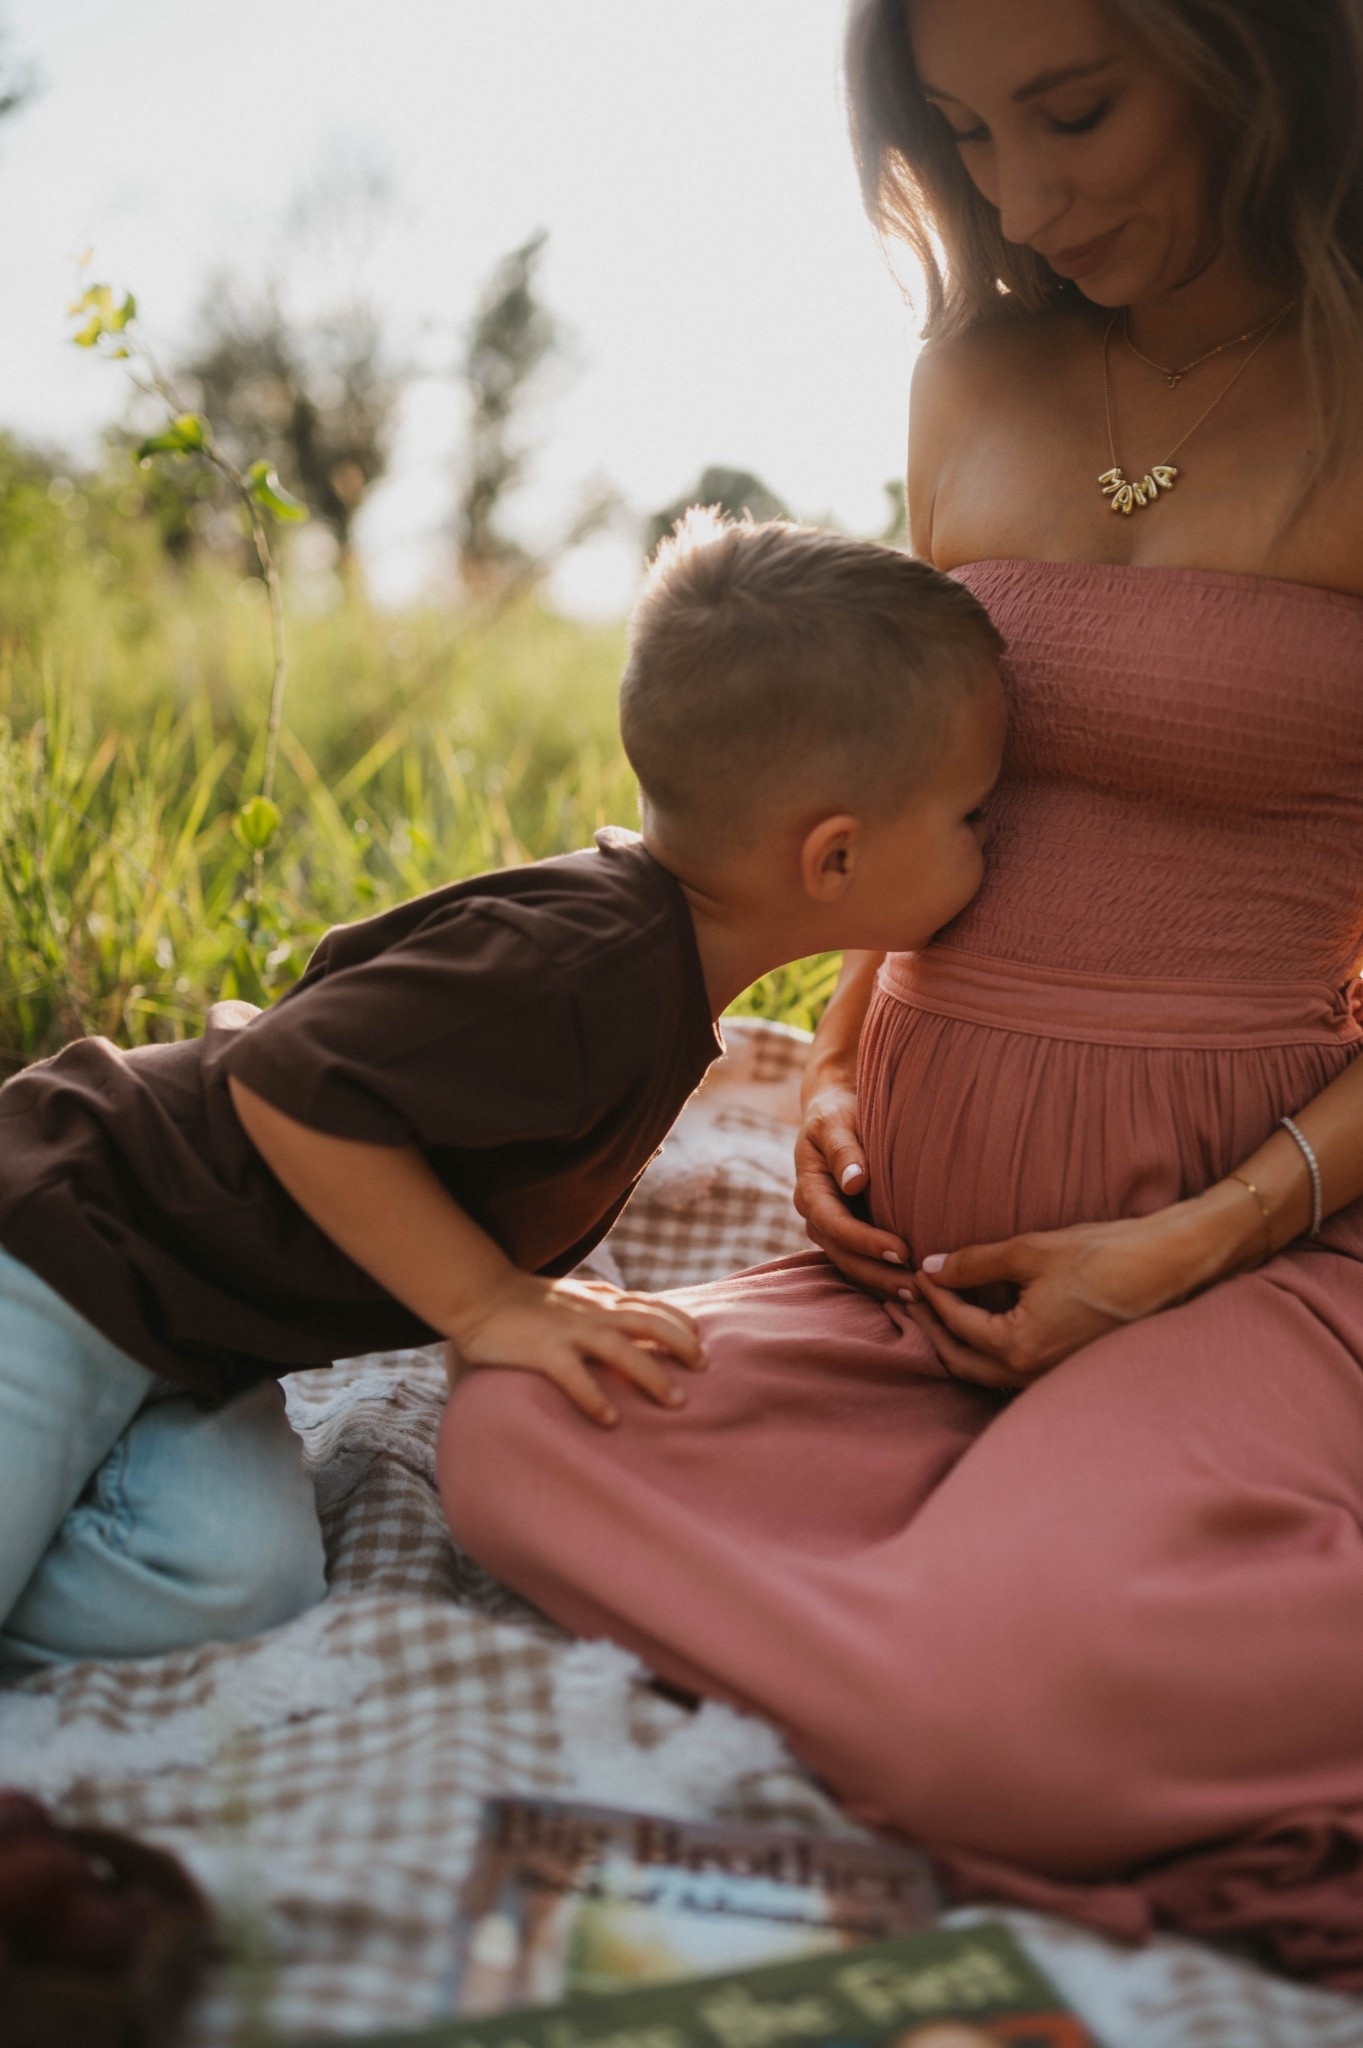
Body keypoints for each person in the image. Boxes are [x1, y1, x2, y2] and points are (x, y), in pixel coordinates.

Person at [438, 0, 1363, 1966]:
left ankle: (1019, 1678)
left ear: (1252, 56)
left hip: (1258, 1245)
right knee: (516, 1432)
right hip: (921, 1269)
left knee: (985, 1715)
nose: (1021, 190)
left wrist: (1196, 1237)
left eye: (1075, 108)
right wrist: (842, 1071)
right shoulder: (974, 372)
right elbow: (924, 783)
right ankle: (1059, 1623)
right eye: (962, 129)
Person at [0, 514, 1004, 1673]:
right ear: (833, 858)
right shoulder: (585, 968)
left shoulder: (658, 973)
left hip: (192, 1334)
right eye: (973, 814)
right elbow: (284, 1080)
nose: (998, 839)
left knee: (238, 1585)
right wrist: (484, 1303)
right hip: (67, 1237)